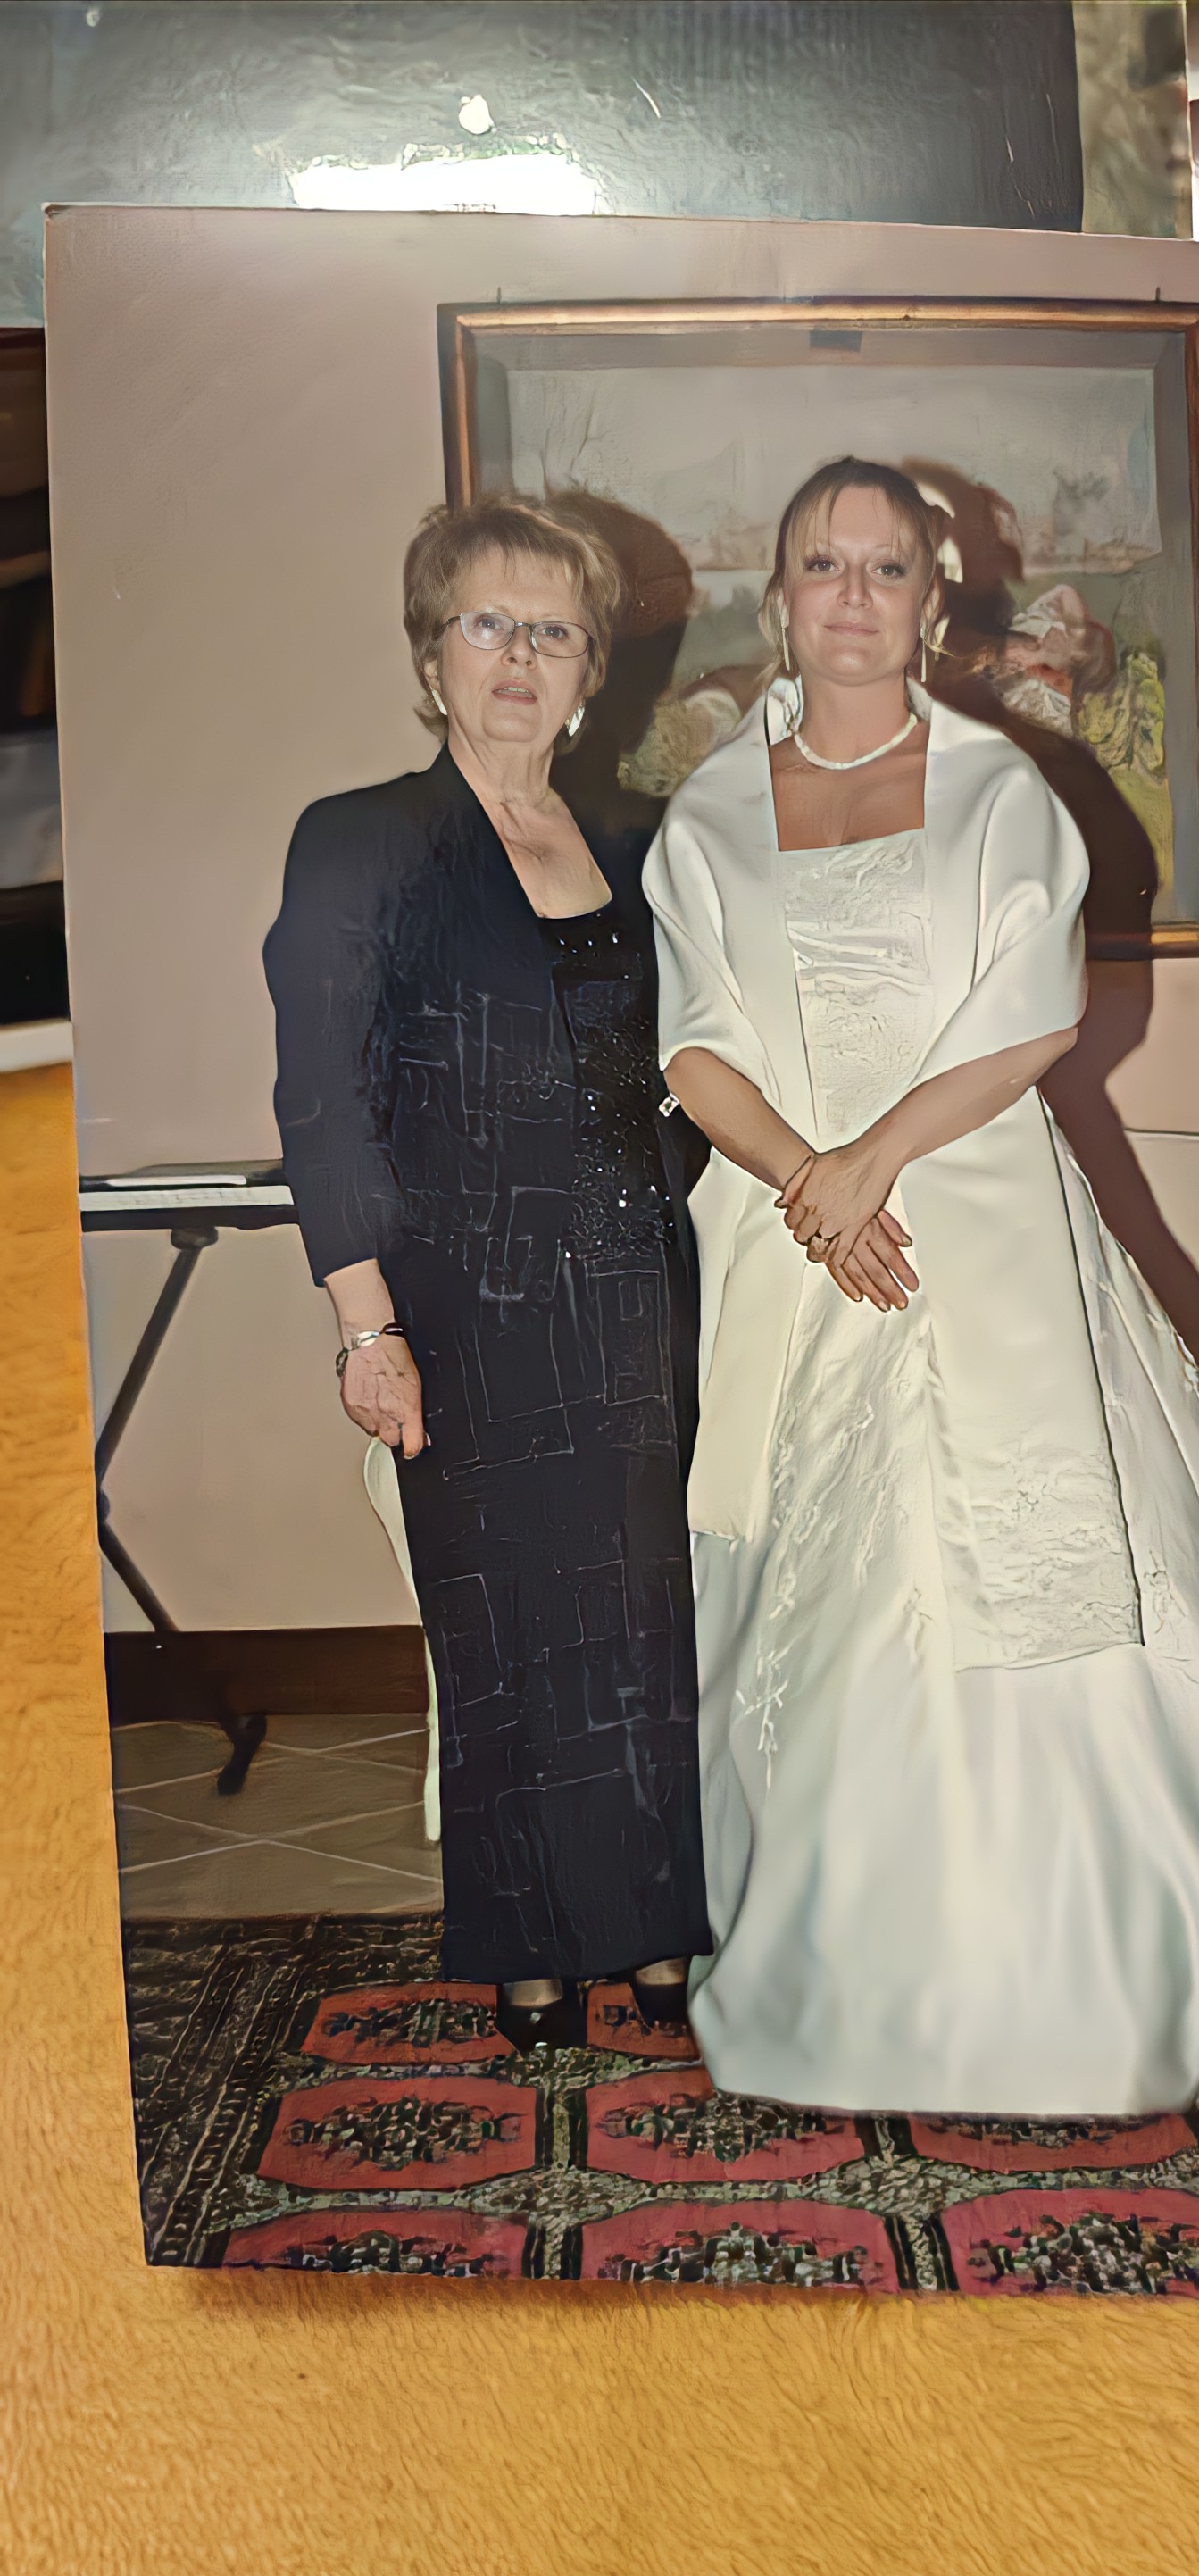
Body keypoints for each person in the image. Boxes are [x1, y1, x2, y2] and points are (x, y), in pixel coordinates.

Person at [644, 454, 1199, 2122]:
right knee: (819, 1604)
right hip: (793, 1238)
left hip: (975, 1220)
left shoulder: (1000, 785)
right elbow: (692, 1041)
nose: (850, 596)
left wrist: (872, 1163)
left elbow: (1034, 1015)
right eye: (820, 565)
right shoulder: (711, 809)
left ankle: (1084, 1969)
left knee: (1026, 1585)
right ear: (776, 596)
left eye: (884, 567)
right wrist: (807, 1181)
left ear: (934, 603)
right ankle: (850, 1967)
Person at [263, 496, 711, 2051]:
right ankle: (530, 1947)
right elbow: (318, 1092)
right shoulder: (362, 838)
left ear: (590, 672)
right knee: (503, 1617)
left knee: (641, 1610)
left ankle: (652, 1926)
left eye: (554, 631)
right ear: (432, 653)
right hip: (463, 1295)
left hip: (637, 1282)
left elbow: (697, 1058)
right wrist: (362, 1323)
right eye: (487, 624)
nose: (520, 656)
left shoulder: (642, 843)